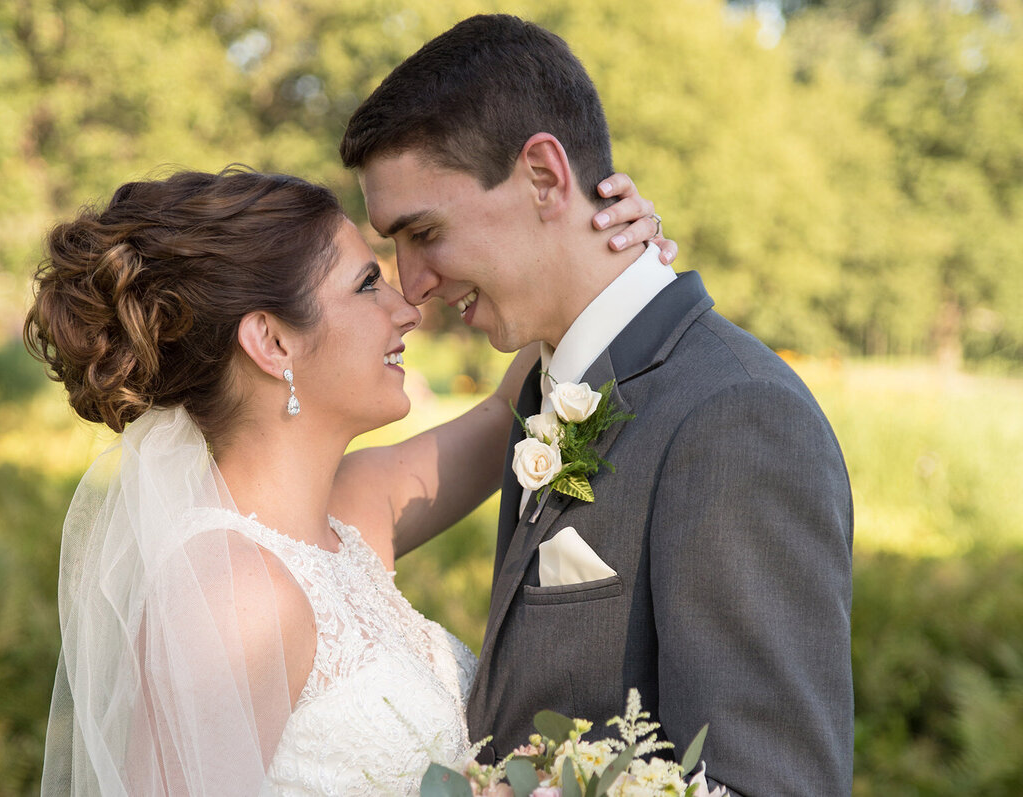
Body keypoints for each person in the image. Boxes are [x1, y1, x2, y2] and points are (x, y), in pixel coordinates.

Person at [27, 166, 669, 794]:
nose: (407, 308)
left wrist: (604, 254)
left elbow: (509, 407)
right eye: (367, 285)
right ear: (273, 341)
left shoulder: (356, 507)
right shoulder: (229, 596)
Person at [341, 14, 854, 796]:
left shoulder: (735, 415)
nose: (412, 285)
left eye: (425, 232)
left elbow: (771, 782)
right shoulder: (550, 386)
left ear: (545, 175)